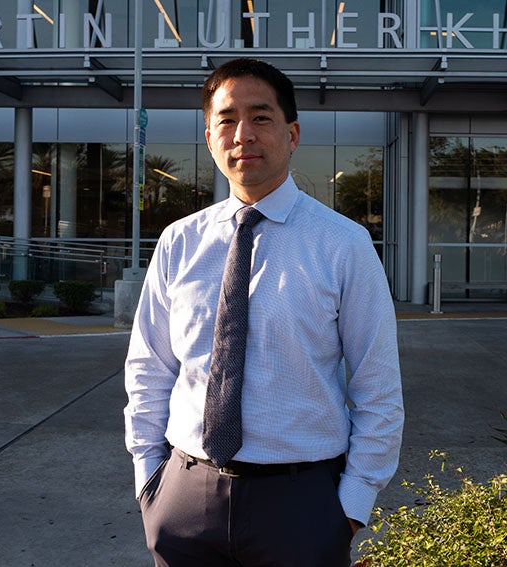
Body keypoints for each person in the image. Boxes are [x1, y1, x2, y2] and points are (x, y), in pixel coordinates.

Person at [123, 58, 404, 567]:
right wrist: (150, 479)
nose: (242, 134)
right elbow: (150, 368)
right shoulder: (178, 242)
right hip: (186, 497)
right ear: (209, 137)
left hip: (302, 503)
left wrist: (351, 506)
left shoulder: (344, 244)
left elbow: (377, 385)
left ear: (292, 134)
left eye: (261, 117)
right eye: (227, 120)